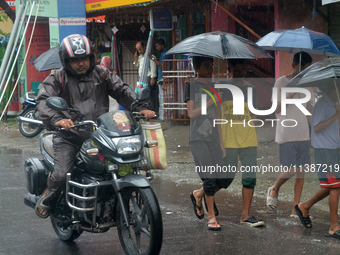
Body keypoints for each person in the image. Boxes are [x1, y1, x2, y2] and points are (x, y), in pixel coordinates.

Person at [35, 34, 155, 218]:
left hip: (100, 134)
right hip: (69, 136)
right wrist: (57, 119)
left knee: (128, 162)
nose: (81, 63)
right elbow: (43, 100)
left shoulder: (102, 73)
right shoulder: (58, 78)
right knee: (61, 173)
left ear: (91, 58)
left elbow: (122, 90)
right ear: (67, 61)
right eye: (75, 60)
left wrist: (140, 107)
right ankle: (48, 196)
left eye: (84, 58)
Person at [219, 59, 265, 227]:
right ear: (229, 69)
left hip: (248, 138)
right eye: (236, 70)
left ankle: (245, 215)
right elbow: (215, 112)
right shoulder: (222, 86)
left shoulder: (251, 89)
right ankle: (201, 192)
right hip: (229, 139)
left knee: (249, 177)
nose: (240, 73)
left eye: (243, 70)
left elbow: (254, 114)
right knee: (226, 177)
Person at [266, 52, 314, 216]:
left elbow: (308, 109)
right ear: (293, 65)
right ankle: (275, 188)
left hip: (303, 134)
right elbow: (276, 109)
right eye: (301, 69)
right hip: (287, 133)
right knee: (292, 169)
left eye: (306, 70)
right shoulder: (281, 82)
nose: (303, 73)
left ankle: (296, 208)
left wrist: (313, 129)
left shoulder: (307, 84)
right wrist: (292, 93)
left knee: (301, 172)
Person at [185, 56, 227, 231]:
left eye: (211, 65)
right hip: (198, 138)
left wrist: (222, 142)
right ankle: (211, 216)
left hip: (213, 139)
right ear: (196, 67)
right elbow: (191, 113)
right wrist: (211, 101)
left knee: (223, 178)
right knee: (209, 177)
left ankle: (198, 194)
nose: (209, 69)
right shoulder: (191, 86)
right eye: (205, 66)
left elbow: (218, 116)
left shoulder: (215, 86)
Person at [294, 83, 340, 239]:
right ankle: (334, 227)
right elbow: (316, 127)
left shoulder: (334, 104)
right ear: (334, 88)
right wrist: (336, 115)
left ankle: (304, 206)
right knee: (335, 187)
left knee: (330, 187)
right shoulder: (322, 103)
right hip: (325, 151)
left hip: (333, 149)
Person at [134, 41, 158, 113]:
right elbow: (137, 65)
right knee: (143, 95)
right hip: (142, 78)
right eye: (138, 50)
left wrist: (152, 78)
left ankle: (152, 110)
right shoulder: (140, 57)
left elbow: (153, 67)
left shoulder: (150, 56)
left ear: (144, 47)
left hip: (148, 78)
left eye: (140, 49)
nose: (139, 51)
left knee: (148, 95)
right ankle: (146, 110)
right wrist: (135, 58)